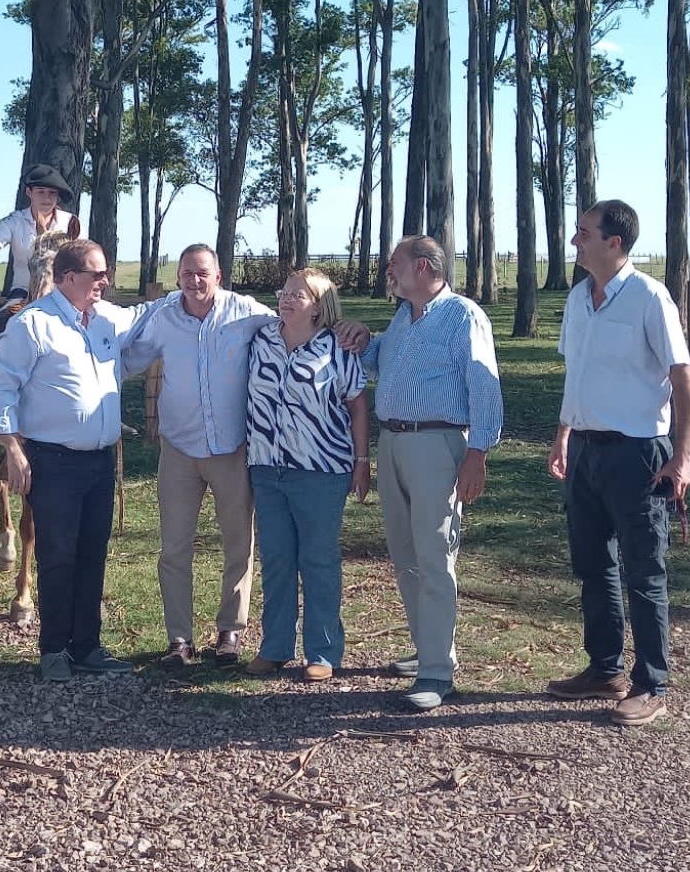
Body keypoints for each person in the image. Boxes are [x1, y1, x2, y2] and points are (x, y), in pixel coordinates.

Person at [122, 245, 368, 667]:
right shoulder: (166, 319)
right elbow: (126, 359)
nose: (194, 281)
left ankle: (231, 634)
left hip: (236, 451)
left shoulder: (247, 314)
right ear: (177, 276)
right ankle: (179, 640)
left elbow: (315, 335)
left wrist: (354, 328)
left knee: (243, 546)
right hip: (183, 449)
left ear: (219, 274)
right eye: (186, 273)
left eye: (203, 273)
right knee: (175, 548)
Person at [545, 199, 690, 728]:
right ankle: (604, 668)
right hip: (585, 451)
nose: (574, 241)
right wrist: (564, 436)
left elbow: (683, 379)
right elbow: (576, 375)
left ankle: (651, 683)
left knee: (643, 570)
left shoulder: (650, 298)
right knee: (593, 566)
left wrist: (682, 457)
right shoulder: (577, 300)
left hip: (638, 454)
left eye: (583, 233)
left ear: (615, 243)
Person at [0, 239, 160, 682]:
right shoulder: (33, 325)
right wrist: (13, 449)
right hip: (54, 461)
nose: (105, 281)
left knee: (91, 555)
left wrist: (189, 292)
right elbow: (2, 388)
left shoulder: (105, 321)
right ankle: (54, 650)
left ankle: (87, 646)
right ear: (67, 278)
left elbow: (145, 317)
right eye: (96, 274)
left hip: (100, 462)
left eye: (105, 273)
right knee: (58, 555)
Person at [362, 235, 503, 711]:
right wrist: (364, 340)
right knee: (405, 552)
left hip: (438, 445)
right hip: (394, 442)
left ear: (422, 267)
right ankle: (428, 648)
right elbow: (380, 359)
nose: (388, 270)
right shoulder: (405, 316)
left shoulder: (463, 315)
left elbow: (484, 385)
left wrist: (477, 453)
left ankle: (437, 673)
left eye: (394, 263)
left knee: (435, 556)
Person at [241, 269, 370, 682]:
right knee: (277, 559)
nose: (288, 298)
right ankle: (275, 647)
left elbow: (357, 406)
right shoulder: (261, 340)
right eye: (286, 291)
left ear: (320, 306)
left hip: (321, 470)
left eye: (300, 294)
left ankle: (323, 651)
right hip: (267, 468)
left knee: (318, 560)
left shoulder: (338, 348)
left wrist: (362, 461)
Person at [0, 164, 82, 304]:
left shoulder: (70, 223)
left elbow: (83, 258)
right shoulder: (15, 222)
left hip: (65, 295)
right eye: (41, 192)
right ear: (29, 192)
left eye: (52, 193)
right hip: (22, 294)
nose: (47, 198)